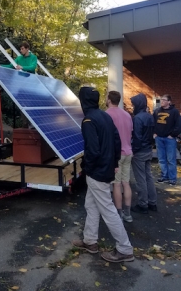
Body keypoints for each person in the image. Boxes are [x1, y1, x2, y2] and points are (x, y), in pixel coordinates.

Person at [73, 86, 134, 263]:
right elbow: (117, 141)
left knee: (108, 210)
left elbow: (92, 150)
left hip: (97, 172)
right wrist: (114, 163)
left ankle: (125, 249)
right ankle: (90, 241)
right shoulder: (105, 116)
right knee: (90, 205)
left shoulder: (89, 120)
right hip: (106, 169)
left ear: (83, 101)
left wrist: (87, 168)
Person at [106, 91, 133, 223]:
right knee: (126, 183)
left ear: (109, 100)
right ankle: (128, 214)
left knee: (116, 185)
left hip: (117, 155)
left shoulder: (107, 115)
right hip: (128, 152)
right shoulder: (127, 115)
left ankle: (119, 214)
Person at [130, 93, 157, 214]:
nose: (132, 106)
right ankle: (152, 202)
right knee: (149, 177)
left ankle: (143, 204)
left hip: (139, 152)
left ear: (138, 104)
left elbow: (137, 137)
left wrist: (133, 151)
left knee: (140, 179)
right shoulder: (149, 116)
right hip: (148, 149)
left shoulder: (137, 118)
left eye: (133, 104)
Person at [153, 94, 181, 186]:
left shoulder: (174, 112)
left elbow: (178, 125)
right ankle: (164, 176)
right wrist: (154, 133)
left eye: (164, 100)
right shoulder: (157, 111)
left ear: (169, 102)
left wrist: (172, 135)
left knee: (171, 159)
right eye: (161, 100)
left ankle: (172, 178)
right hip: (159, 138)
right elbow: (152, 123)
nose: (162, 101)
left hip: (169, 139)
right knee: (161, 159)